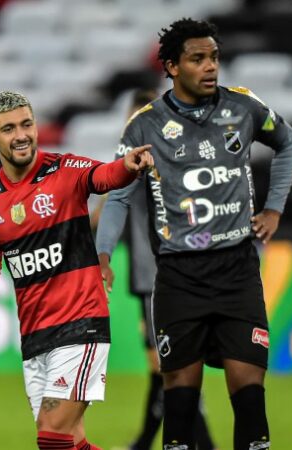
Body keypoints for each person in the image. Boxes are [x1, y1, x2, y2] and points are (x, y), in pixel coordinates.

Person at [103, 18, 292, 450]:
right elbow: (117, 195)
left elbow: (288, 142)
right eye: (198, 59)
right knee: (179, 407)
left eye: (214, 57)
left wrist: (273, 208)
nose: (211, 67)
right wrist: (103, 255)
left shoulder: (243, 107)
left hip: (237, 272)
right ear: (172, 66)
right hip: (177, 277)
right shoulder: (145, 125)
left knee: (250, 400)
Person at [0, 90, 154, 450]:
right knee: (69, 442)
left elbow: (103, 176)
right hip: (36, 335)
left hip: (81, 324)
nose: (20, 135)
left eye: (26, 124)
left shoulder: (65, 170)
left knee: (51, 435)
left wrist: (126, 166)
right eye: (8, 129)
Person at [95, 88, 218, 450]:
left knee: (172, 370)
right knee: (163, 368)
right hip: (151, 277)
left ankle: (202, 445)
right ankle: (146, 441)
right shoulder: (141, 158)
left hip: (159, 278)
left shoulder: (153, 158)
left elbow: (107, 208)